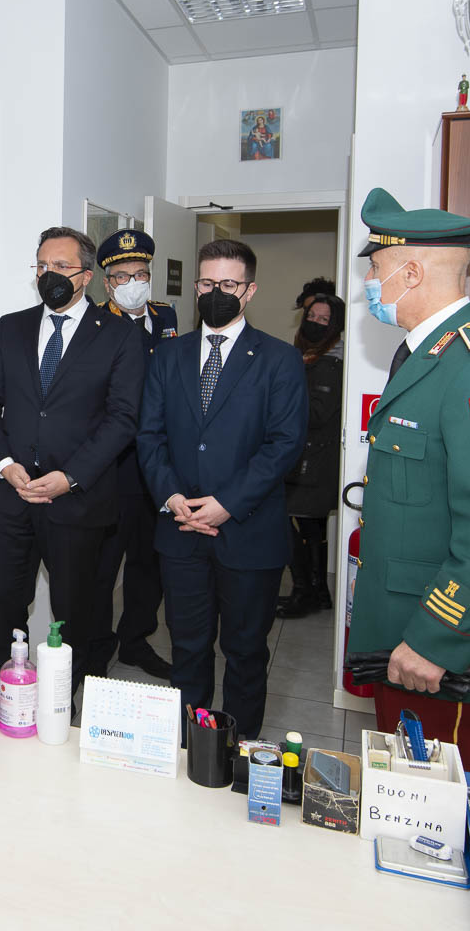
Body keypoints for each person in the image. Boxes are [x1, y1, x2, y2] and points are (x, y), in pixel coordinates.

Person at [348, 187, 470, 774]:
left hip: (442, 643)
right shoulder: (423, 354)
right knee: (406, 798)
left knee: (440, 810)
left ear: (411, 272)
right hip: (401, 623)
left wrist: (438, 638)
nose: (371, 286)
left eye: (376, 270)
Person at [136, 239, 307, 735]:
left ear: (249, 290)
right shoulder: (169, 355)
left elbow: (284, 444)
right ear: (195, 287)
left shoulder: (279, 359)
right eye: (207, 283)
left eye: (228, 284)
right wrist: (171, 498)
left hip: (249, 534)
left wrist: (227, 504)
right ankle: (193, 749)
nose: (216, 292)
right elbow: (150, 434)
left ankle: (236, 752)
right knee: (187, 650)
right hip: (180, 529)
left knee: (245, 653)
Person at [0, 226, 144, 692]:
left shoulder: (120, 336)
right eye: (42, 266)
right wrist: (5, 464)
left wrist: (71, 476)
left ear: (86, 276)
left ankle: (69, 712)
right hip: (12, 498)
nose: (51, 275)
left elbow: (123, 419)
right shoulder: (13, 327)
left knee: (77, 618)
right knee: (5, 612)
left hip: (77, 502)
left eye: (61, 266)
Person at [89, 228, 178, 680]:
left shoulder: (166, 316)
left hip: (157, 465)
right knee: (103, 566)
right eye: (122, 276)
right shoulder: (95, 324)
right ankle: (97, 647)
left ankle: (135, 641)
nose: (133, 282)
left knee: (150, 563)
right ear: (107, 283)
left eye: (140, 273)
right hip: (112, 466)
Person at [279, 280, 345, 618]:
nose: (315, 323)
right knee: (311, 529)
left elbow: (317, 413)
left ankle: (306, 592)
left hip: (315, 462)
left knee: (297, 526)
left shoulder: (330, 363)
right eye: (311, 316)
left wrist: (281, 398)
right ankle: (316, 593)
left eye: (324, 319)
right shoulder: (308, 356)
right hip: (307, 458)